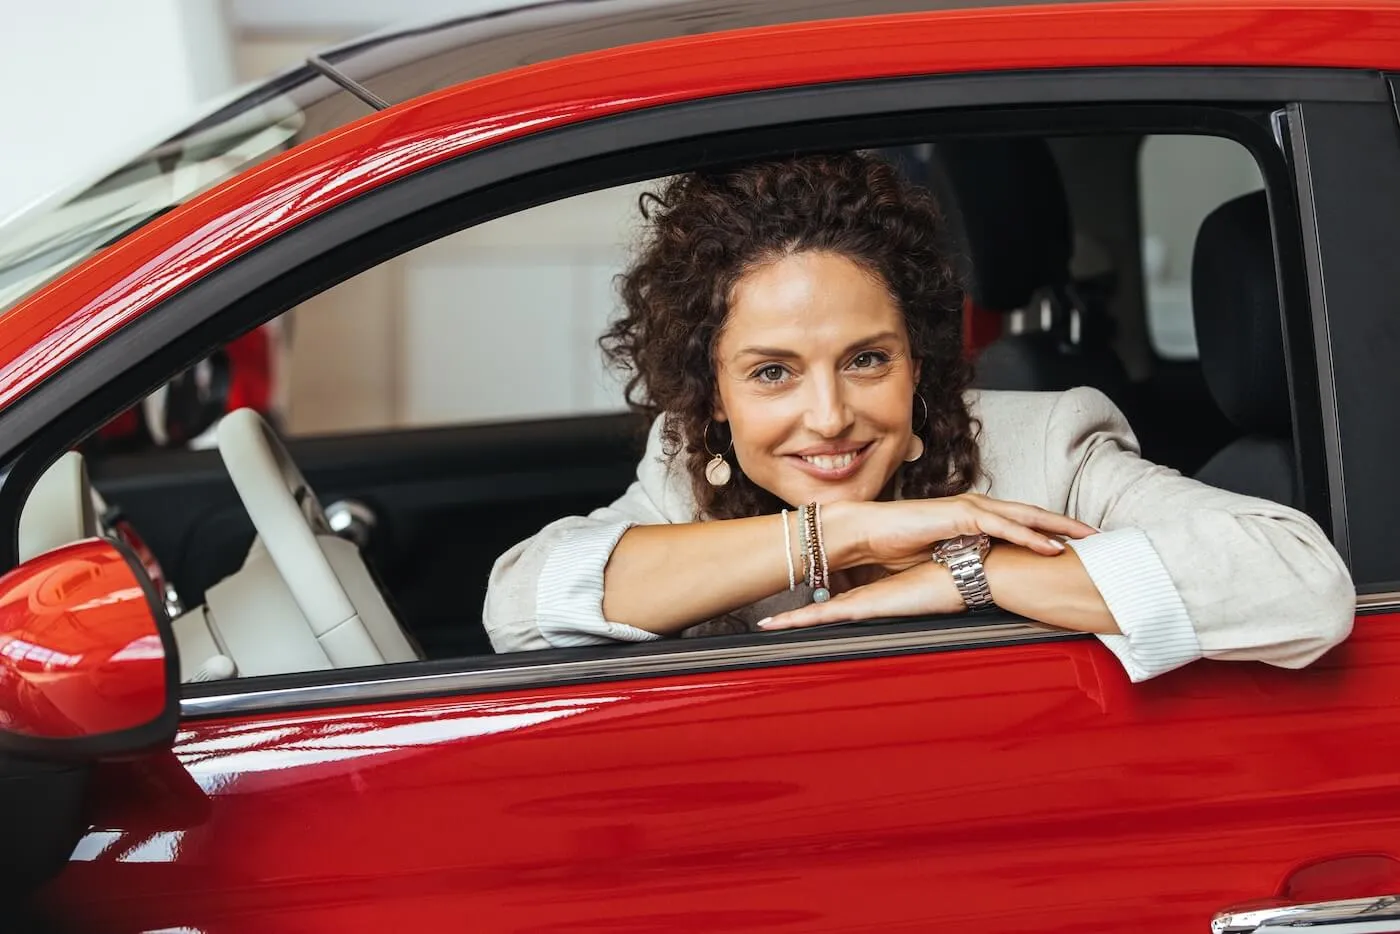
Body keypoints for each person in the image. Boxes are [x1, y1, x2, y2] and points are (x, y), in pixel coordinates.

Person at [484, 151, 1353, 682]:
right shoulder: (687, 471)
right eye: (773, 372)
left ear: (919, 358)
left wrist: (980, 578)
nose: (827, 417)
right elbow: (523, 608)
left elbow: (1300, 583)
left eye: (867, 360)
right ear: (711, 390)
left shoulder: (1042, 446)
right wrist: (844, 536)